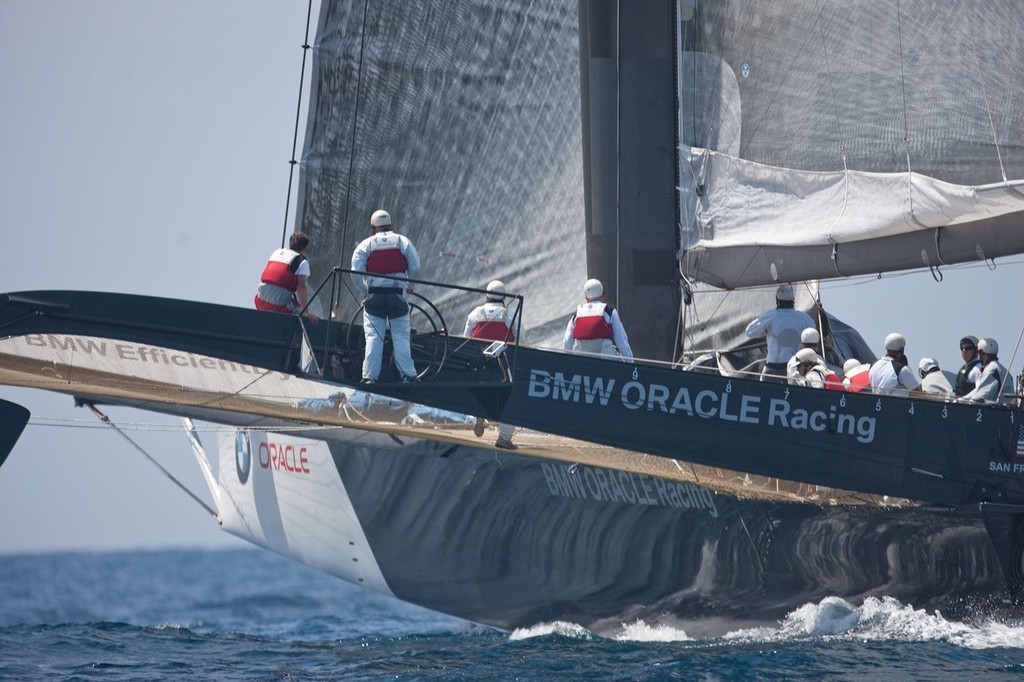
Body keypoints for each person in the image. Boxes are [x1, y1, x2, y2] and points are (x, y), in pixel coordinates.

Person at [351, 209, 421, 383]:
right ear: (390, 224)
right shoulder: (402, 241)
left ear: (373, 227)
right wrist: (411, 286)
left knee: (374, 338)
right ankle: (408, 375)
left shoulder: (366, 245)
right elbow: (415, 267)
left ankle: (369, 378)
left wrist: (365, 292)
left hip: (374, 297)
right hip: (397, 297)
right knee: (401, 337)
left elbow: (355, 272)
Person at [465, 280, 517, 449]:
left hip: (480, 364)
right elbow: (521, 335)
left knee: (482, 391)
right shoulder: (508, 314)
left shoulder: (476, 313)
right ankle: (504, 437)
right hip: (502, 364)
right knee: (510, 399)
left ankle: (479, 414)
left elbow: (466, 337)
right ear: (503, 296)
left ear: (487, 295)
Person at [745, 284, 815, 382]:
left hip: (772, 371)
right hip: (794, 371)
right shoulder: (804, 318)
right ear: (793, 300)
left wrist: (765, 331)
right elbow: (814, 332)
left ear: (777, 300)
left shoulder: (771, 316)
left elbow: (749, 331)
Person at [563, 278, 633, 362]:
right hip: (606, 362)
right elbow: (621, 339)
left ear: (586, 297)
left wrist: (566, 363)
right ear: (602, 295)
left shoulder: (577, 315)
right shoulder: (610, 312)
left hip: (582, 362)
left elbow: (567, 341)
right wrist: (630, 363)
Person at [255, 231, 319, 322]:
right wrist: (305, 312)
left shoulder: (277, 252)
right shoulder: (302, 261)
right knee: (302, 318)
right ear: (303, 249)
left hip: (260, 300)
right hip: (278, 306)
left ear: (290, 244)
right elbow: (301, 286)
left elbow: (276, 278)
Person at [962, 338, 1015, 404]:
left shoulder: (992, 370)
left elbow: (983, 394)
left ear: (982, 353)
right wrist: (963, 399)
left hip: (1000, 412)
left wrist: (964, 403)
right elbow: (980, 388)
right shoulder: (1001, 369)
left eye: (979, 352)